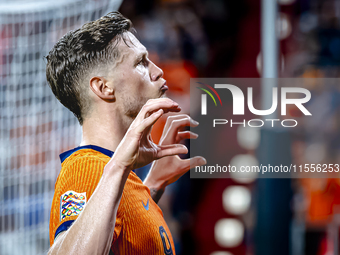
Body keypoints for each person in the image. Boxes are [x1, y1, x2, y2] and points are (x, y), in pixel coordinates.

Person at [46, 11, 206, 255]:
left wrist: (152, 185)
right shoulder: (88, 167)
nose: (158, 71)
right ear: (103, 87)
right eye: (140, 63)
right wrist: (118, 165)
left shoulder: (118, 177)